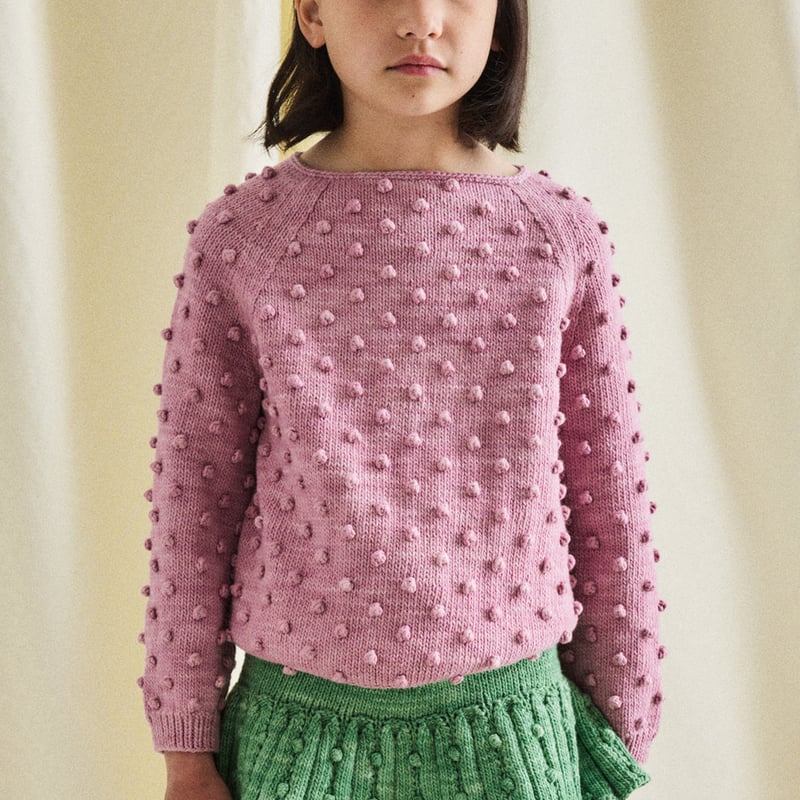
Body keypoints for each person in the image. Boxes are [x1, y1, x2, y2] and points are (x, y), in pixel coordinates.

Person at [138, 1, 667, 798]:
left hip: (517, 735)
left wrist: (621, 734)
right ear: (312, 13)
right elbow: (194, 503)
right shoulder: (243, 238)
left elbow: (610, 502)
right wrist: (186, 749)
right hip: (292, 736)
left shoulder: (559, 235)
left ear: (501, 19)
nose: (421, 19)